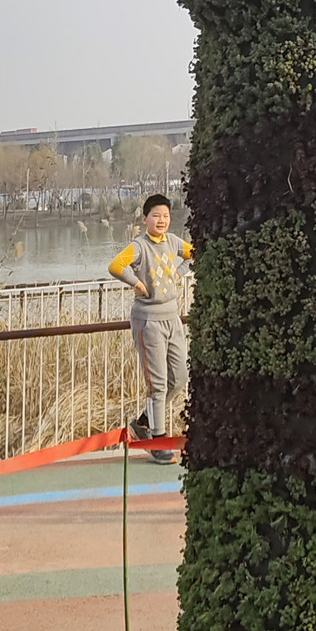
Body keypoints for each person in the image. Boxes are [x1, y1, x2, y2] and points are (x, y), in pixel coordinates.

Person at [109, 195, 192, 463]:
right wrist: (135, 282)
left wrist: (179, 273)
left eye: (165, 216)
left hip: (172, 318)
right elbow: (115, 266)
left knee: (178, 377)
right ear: (145, 219)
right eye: (156, 215)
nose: (161, 220)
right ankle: (158, 441)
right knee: (156, 384)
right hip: (148, 321)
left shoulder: (173, 242)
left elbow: (195, 253)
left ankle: (143, 421)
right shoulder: (139, 246)